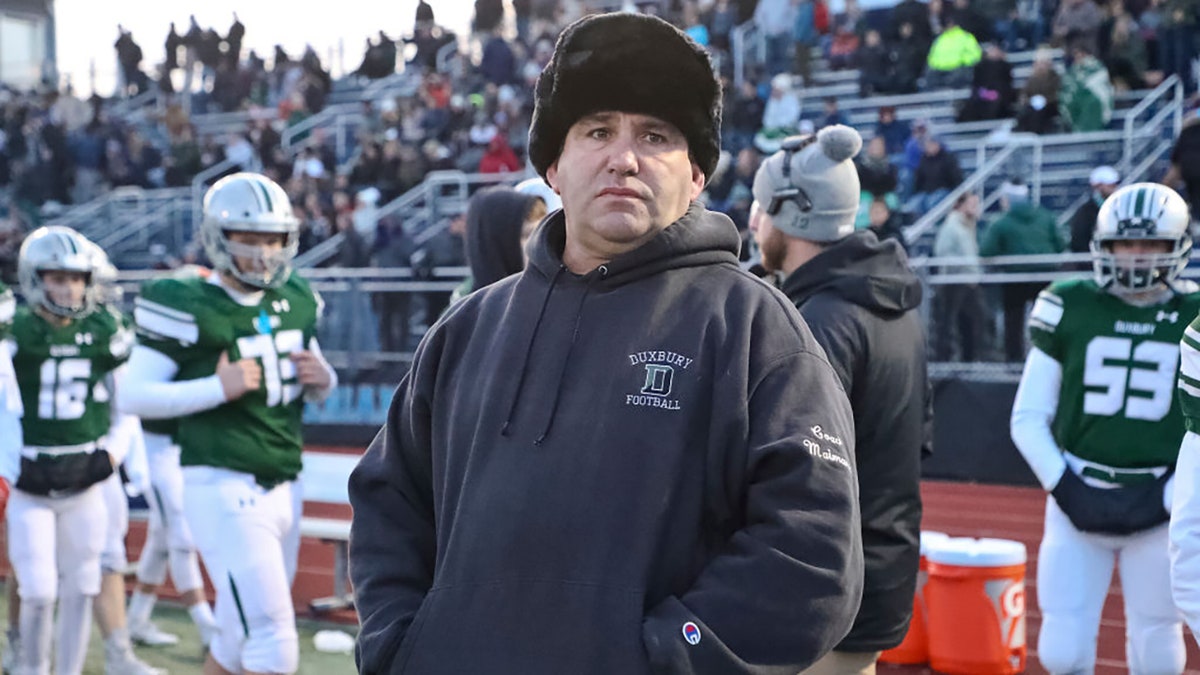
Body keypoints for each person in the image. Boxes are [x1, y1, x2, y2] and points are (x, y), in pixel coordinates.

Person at [348, 12, 863, 674]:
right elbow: (390, 498)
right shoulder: (468, 329)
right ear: (554, 167)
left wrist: (666, 655)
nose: (624, 157)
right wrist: (400, 645)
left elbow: (812, 554)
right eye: (598, 130)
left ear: (697, 175)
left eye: (655, 134)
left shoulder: (756, 329)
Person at [117, 173, 337, 675]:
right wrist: (218, 387)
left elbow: (316, 378)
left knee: (238, 638)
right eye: (250, 239)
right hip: (221, 483)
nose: (263, 253)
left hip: (285, 480)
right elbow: (131, 394)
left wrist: (324, 378)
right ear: (220, 236)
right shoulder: (188, 302)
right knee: (273, 642)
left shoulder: (296, 295)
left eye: (273, 239)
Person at [749, 127, 928, 675]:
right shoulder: (886, 303)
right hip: (876, 575)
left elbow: (799, 479)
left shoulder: (820, 323)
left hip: (827, 594)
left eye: (761, 208)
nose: (753, 223)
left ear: (792, 215)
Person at [1012, 182, 1194, 674]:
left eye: (1150, 244)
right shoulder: (1069, 302)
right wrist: (1067, 487)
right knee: (1062, 650)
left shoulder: (1195, 316)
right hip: (1078, 491)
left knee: (1158, 647)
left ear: (1177, 246)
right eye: (1123, 243)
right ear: (1102, 245)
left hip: (1162, 504)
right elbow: (1027, 417)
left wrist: (1171, 494)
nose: (1135, 256)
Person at [3, 226, 154, 675]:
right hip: (30, 480)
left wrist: (112, 453)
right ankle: (32, 667)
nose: (68, 287)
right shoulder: (15, 330)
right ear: (34, 278)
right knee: (38, 589)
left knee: (83, 586)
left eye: (75, 278)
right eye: (56, 277)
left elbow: (130, 402)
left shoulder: (105, 327)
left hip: (84, 480)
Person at [125, 267, 221, 653]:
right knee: (180, 535)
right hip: (153, 446)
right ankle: (208, 629)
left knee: (162, 538)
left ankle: (136, 619)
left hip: (180, 447)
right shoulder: (154, 343)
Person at [980, 179, 1064, 361]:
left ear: (1007, 199)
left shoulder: (1001, 222)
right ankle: (1047, 356)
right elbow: (1061, 244)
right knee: (1046, 320)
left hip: (1014, 277)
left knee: (1013, 323)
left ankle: (1013, 360)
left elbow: (986, 251)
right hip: (1045, 274)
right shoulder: (1046, 216)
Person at [933, 192, 988, 362]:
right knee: (952, 323)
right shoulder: (952, 226)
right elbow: (942, 253)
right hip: (955, 283)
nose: (975, 208)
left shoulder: (969, 227)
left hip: (969, 282)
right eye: (972, 204)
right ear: (961, 205)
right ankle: (949, 360)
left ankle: (969, 359)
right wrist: (966, 269)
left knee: (970, 323)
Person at [1069, 165, 1120, 254]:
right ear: (1097, 186)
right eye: (1110, 185)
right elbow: (1079, 242)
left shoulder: (1119, 207)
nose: (1113, 188)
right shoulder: (1084, 213)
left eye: (1114, 185)